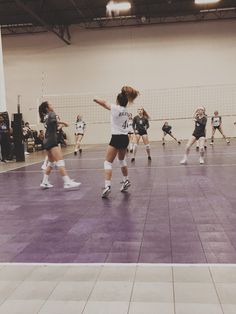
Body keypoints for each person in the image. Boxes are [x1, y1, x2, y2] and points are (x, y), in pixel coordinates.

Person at [93, 86, 139, 198]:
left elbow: (103, 102)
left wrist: (95, 98)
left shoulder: (115, 108)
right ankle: (126, 180)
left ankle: (107, 186)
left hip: (116, 137)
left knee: (107, 162)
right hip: (125, 138)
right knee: (122, 160)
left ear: (118, 100)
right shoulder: (126, 111)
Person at [38, 101, 81, 189]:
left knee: (51, 163)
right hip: (52, 141)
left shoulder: (45, 117)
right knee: (60, 162)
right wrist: (63, 123)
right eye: (50, 104)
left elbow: (52, 123)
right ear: (47, 108)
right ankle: (67, 182)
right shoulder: (52, 114)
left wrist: (62, 124)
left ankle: (45, 182)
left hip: (46, 141)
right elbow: (54, 121)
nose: (52, 105)